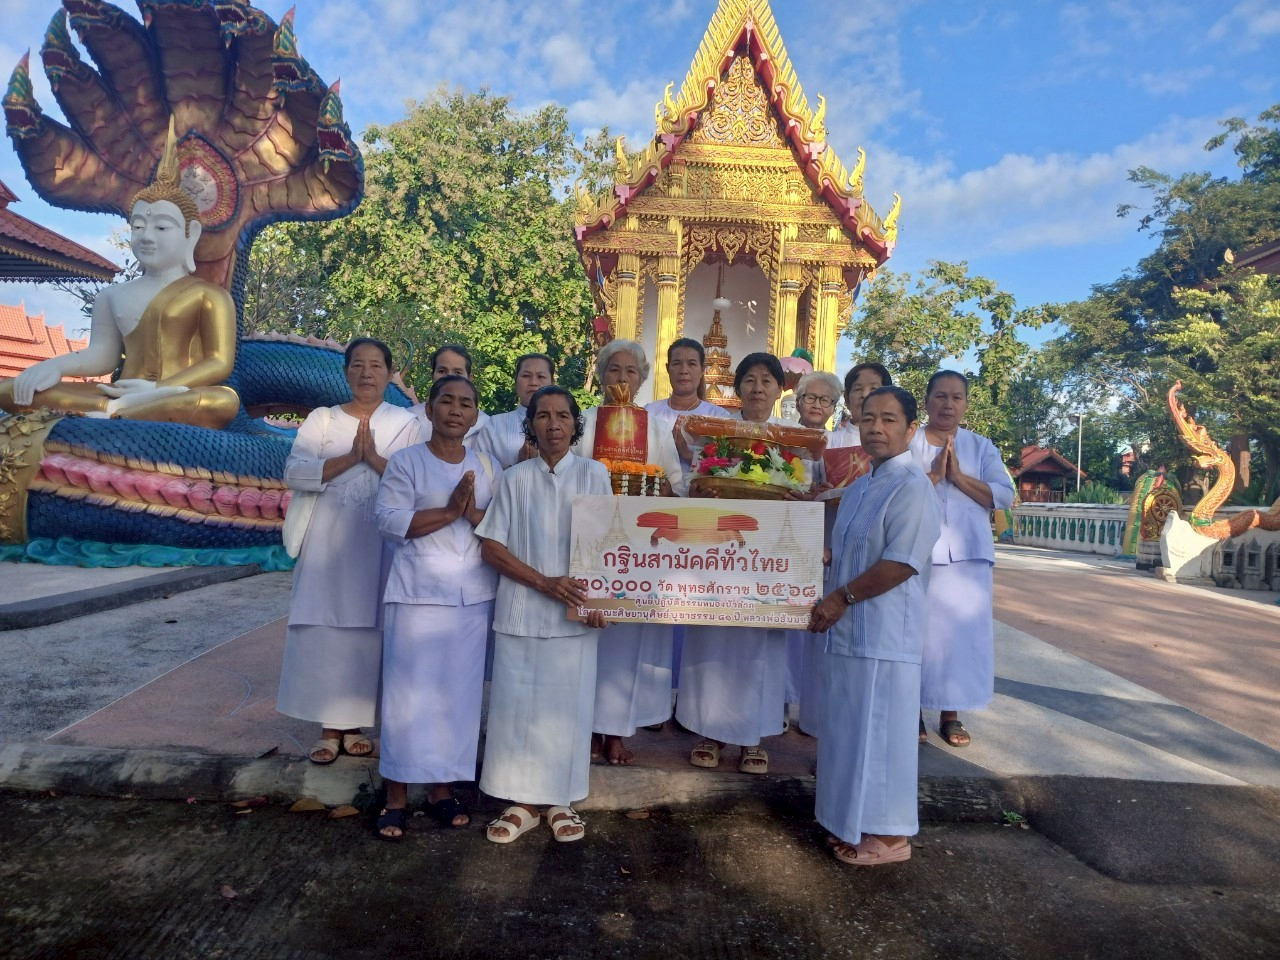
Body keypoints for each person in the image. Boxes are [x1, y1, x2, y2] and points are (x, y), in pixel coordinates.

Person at [0, 119, 238, 429]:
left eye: (162, 227)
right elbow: (104, 355)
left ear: (190, 234)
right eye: (138, 227)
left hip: (175, 394)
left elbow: (219, 362)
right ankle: (122, 410)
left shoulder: (210, 296)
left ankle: (124, 410)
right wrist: (55, 367)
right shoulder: (112, 295)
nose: (147, 236)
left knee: (222, 401)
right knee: (10, 390)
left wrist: (158, 389)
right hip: (116, 393)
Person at [808, 385, 941, 866]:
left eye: (889, 419)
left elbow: (902, 563)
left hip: (885, 631)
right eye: (868, 419)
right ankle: (853, 824)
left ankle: (889, 838)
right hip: (848, 630)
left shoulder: (913, 486)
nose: (876, 428)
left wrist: (841, 597)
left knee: (882, 736)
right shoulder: (864, 483)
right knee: (849, 732)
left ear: (910, 429)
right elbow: (847, 552)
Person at [277, 338, 423, 763]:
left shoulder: (406, 422)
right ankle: (328, 728)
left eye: (376, 365)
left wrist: (373, 458)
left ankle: (355, 724)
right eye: (357, 365)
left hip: (379, 542)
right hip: (327, 542)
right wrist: (348, 459)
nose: (366, 373)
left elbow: (415, 478)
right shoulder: (321, 420)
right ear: (346, 373)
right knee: (325, 625)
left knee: (369, 626)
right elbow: (295, 471)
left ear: (389, 372)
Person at [476, 385, 611, 843]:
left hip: (575, 618)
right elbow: (491, 547)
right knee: (516, 708)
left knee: (567, 710)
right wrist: (544, 583)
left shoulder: (596, 475)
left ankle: (560, 801)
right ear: (529, 424)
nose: (554, 424)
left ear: (576, 425)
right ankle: (521, 804)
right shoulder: (515, 479)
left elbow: (609, 550)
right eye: (543, 416)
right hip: (520, 613)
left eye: (563, 416)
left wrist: (601, 602)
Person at [372, 374, 500, 840]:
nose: (456, 410)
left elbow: (499, 524)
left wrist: (471, 515)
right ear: (428, 409)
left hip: (471, 596)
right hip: (417, 595)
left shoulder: (487, 465)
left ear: (475, 415)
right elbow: (387, 520)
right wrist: (447, 513)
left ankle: (442, 792)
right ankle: (396, 796)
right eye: (446, 401)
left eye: (466, 403)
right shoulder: (406, 462)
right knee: (409, 697)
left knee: (456, 698)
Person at [678, 352, 794, 774]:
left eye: (767, 380)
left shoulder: (793, 439)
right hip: (718, 551)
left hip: (769, 560)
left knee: (760, 646)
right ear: (737, 387)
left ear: (780, 389)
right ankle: (708, 730)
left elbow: (807, 493)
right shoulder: (714, 436)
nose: (758, 387)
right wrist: (700, 494)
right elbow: (693, 485)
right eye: (750, 379)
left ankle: (754, 737)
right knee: (714, 638)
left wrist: (797, 498)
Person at [574, 340, 684, 766]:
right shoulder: (581, 422)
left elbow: (675, 483)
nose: (622, 379)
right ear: (601, 376)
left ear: (641, 379)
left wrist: (649, 486)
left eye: (631, 371)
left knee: (625, 642)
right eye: (614, 370)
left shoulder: (656, 427)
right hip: (588, 543)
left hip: (638, 551)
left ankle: (615, 732)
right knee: (588, 638)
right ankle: (584, 727)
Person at [909, 370, 1015, 748]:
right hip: (918, 554)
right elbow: (897, 488)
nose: (948, 404)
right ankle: (913, 711)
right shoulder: (910, 442)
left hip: (969, 556)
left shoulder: (981, 446)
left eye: (956, 397)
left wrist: (957, 476)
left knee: (959, 638)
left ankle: (951, 715)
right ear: (926, 401)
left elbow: (1003, 495)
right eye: (940, 396)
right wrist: (934, 476)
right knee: (918, 634)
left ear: (966, 404)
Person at [644, 338, 728, 473]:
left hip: (702, 493)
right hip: (654, 491)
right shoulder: (648, 412)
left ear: (702, 370)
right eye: (676, 363)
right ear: (668, 369)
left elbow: (726, 466)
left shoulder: (718, 416)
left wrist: (686, 453)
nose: (684, 370)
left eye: (692, 364)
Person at [471, 353, 554, 468]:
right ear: (516, 381)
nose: (533, 382)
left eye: (541, 377)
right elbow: (479, 472)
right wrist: (517, 468)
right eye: (526, 375)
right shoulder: (495, 425)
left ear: (552, 383)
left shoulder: (566, 425)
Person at [407, 344, 489, 443]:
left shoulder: (485, 427)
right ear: (432, 376)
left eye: (458, 373)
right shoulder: (410, 419)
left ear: (470, 379)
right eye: (442, 371)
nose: (449, 377)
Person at [829, 362, 892, 449]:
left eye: (874, 389)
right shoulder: (829, 443)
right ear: (847, 399)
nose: (865, 395)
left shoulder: (902, 443)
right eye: (858, 389)